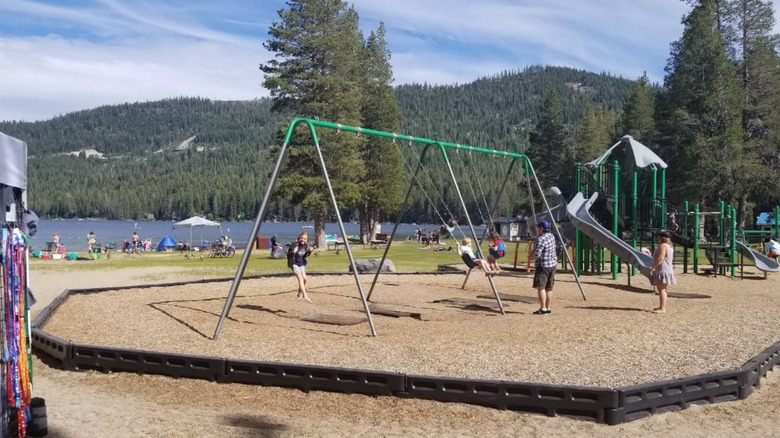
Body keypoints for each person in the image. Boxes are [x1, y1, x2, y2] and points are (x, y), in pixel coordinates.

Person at [530, 220, 557, 315]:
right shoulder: (551, 236)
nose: (537, 229)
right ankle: (548, 307)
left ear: (541, 228)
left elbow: (537, 254)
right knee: (549, 288)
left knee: (541, 287)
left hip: (543, 265)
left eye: (538, 228)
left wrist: (531, 257)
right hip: (552, 264)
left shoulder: (541, 239)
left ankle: (543, 308)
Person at [650, 230, 677, 314]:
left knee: (661, 289)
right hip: (667, 269)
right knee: (663, 289)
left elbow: (660, 258)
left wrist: (654, 267)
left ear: (661, 238)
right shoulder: (669, 246)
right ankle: (662, 306)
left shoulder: (663, 246)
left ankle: (663, 308)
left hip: (663, 270)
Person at [288, 232, 313, 303]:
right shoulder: (294, 245)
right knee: (300, 279)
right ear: (299, 238)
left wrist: (310, 251)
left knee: (305, 279)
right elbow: (288, 254)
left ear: (307, 240)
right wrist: (293, 252)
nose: (303, 240)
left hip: (301, 264)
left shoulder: (306, 246)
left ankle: (299, 292)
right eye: (301, 238)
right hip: (294, 264)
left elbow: (305, 255)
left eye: (305, 239)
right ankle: (305, 295)